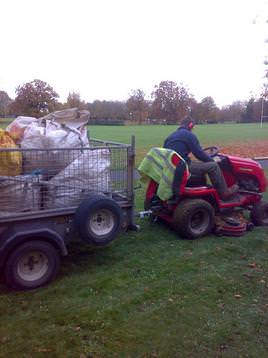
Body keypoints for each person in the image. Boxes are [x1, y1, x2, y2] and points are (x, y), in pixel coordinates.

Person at [163, 116, 239, 200]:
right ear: (191, 125)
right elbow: (199, 154)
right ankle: (224, 192)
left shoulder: (171, 136)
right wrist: (212, 160)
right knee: (213, 166)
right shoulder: (189, 135)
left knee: (199, 164)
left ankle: (205, 186)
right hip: (182, 166)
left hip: (172, 165)